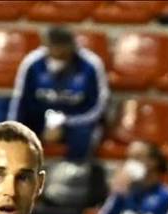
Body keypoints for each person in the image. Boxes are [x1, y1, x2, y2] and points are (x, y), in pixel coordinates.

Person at [7, 27, 109, 162]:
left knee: (84, 134)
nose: (58, 53)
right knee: (0, 106)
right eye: (54, 49)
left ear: (72, 47)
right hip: (40, 118)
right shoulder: (32, 63)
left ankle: (73, 174)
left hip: (76, 121)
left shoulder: (91, 64)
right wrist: (15, 130)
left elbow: (99, 107)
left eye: (62, 51)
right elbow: (20, 100)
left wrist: (63, 122)